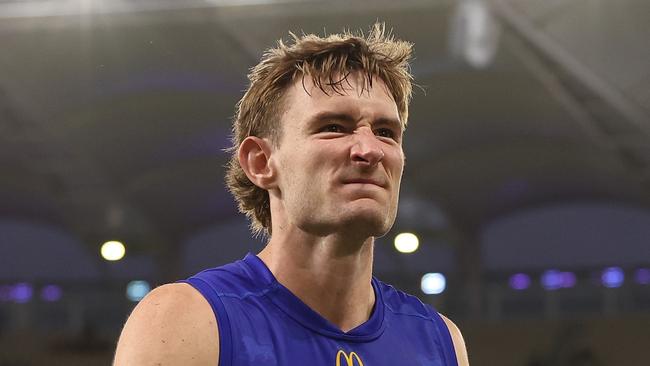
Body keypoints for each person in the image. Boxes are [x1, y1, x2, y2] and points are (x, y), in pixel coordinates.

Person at [113, 23, 470, 366]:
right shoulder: (186, 322)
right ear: (262, 162)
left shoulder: (441, 343)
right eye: (333, 128)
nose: (369, 149)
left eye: (386, 132)